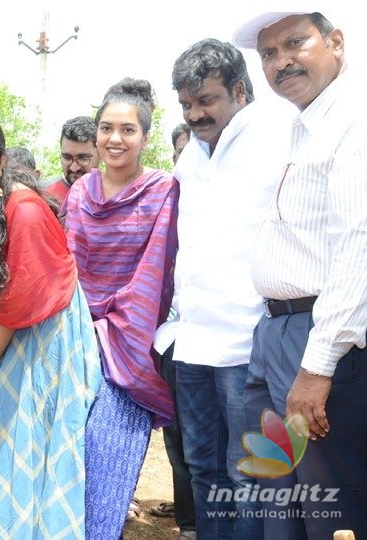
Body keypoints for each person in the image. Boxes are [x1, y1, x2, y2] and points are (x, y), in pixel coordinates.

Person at [233, 11, 367, 538]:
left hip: (318, 337)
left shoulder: (353, 119)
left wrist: (318, 363)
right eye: (268, 54)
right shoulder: (305, 123)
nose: (281, 62)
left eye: (294, 44)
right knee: (282, 503)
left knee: (331, 506)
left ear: (335, 42)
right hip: (277, 333)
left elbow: (358, 247)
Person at [0, 109, 101, 538]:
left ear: (0, 161)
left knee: (22, 436)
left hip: (46, 331)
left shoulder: (24, 211)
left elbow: (16, 310)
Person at [161, 38, 294, 538]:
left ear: (239, 91)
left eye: (206, 101)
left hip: (247, 343)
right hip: (193, 342)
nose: (195, 115)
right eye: (186, 105)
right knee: (201, 467)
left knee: (248, 473)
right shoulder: (191, 157)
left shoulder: (279, 138)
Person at [61, 78, 178, 538]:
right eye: (106, 128)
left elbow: (155, 273)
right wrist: (78, 328)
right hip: (72, 341)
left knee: (111, 459)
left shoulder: (162, 191)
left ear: (145, 138)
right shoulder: (80, 193)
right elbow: (67, 270)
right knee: (67, 460)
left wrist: (110, 329)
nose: (115, 138)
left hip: (128, 346)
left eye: (127, 130)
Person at [149, 122, 198, 537]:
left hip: (223, 341)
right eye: (184, 150)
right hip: (170, 340)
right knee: (177, 440)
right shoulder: (164, 204)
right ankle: (189, 524)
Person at [45, 115, 100, 203]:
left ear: (101, 155)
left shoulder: (116, 196)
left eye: (83, 158)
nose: (73, 168)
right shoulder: (46, 198)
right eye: (67, 158)